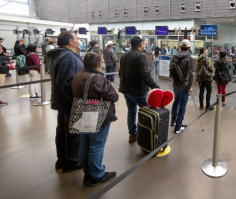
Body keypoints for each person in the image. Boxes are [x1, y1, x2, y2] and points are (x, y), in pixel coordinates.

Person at [72, 52, 118, 187]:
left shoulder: (78, 75)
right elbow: (113, 96)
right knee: (96, 145)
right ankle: (97, 175)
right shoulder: (96, 78)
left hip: (82, 114)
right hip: (98, 115)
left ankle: (88, 174)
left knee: (85, 144)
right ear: (99, 63)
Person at [47, 31, 83, 172]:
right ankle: (72, 162)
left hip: (61, 100)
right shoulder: (68, 57)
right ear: (71, 42)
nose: (78, 40)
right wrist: (77, 100)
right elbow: (67, 82)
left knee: (63, 130)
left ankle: (62, 160)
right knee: (73, 132)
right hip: (70, 102)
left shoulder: (59, 55)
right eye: (77, 38)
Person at [119, 37, 160, 143]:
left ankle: (132, 134)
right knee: (150, 111)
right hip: (138, 90)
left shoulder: (124, 56)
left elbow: (120, 73)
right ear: (140, 45)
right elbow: (145, 74)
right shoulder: (140, 56)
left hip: (126, 90)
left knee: (131, 111)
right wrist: (155, 86)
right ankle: (150, 136)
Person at [170, 39, 194, 133]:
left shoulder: (174, 56)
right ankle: (178, 127)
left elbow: (171, 69)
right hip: (184, 84)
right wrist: (189, 86)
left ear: (180, 47)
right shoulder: (189, 59)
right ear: (189, 48)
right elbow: (192, 74)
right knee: (182, 105)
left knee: (176, 101)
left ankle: (173, 121)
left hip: (175, 83)